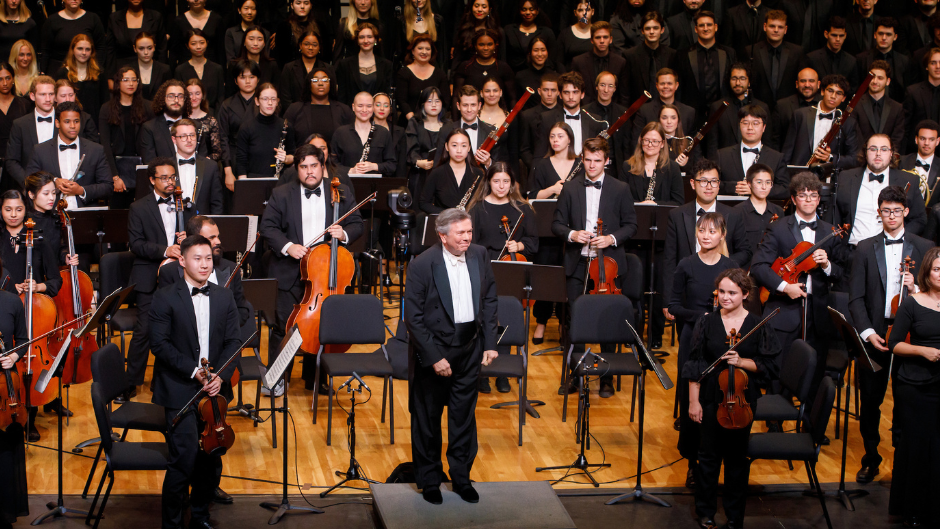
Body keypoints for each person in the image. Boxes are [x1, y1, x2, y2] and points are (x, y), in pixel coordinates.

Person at [405, 207, 498, 505]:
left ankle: (461, 478)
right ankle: (430, 480)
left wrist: (490, 343)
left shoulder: (480, 255)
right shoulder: (422, 264)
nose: (467, 238)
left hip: (469, 348)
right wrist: (434, 357)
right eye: (461, 233)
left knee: (462, 418)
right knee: (427, 420)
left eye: (469, 232)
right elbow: (414, 319)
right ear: (442, 236)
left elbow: (491, 299)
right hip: (435, 351)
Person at [149, 234, 242, 529]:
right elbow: (160, 345)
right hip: (179, 388)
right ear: (182, 261)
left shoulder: (224, 296)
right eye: (197, 258)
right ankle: (172, 524)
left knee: (211, 459)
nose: (204, 265)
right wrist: (194, 371)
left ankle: (200, 516)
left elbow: (234, 342)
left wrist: (220, 374)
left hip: (214, 390)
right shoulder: (165, 296)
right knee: (184, 459)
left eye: (209, 259)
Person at [259, 143, 364, 391]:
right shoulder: (282, 193)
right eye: (303, 167)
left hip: (325, 271)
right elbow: (268, 228)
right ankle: (276, 380)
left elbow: (358, 224)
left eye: (314, 166)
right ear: (297, 169)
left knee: (320, 325)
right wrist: (288, 246)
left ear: (322, 166)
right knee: (282, 325)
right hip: (288, 269)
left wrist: (344, 234)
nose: (309, 172)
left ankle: (315, 379)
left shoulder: (341, 191)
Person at [684, 268, 780, 529]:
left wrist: (742, 361)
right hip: (709, 397)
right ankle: (705, 512)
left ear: (745, 294)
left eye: (732, 293)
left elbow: (769, 367)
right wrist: (694, 401)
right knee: (708, 457)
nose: (725, 297)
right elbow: (695, 364)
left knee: (737, 460)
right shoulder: (707, 322)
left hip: (743, 400)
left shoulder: (758, 324)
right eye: (722, 292)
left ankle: (735, 515)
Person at [849, 186, 932, 486]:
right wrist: (869, 333)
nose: (892, 215)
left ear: (906, 212)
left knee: (906, 400)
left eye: (897, 210)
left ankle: (903, 460)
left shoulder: (924, 247)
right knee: (870, 402)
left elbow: (936, 294)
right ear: (879, 212)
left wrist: (918, 289)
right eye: (886, 210)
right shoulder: (864, 247)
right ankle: (871, 459)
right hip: (876, 334)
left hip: (912, 337)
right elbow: (855, 298)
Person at [551, 137, 637, 397]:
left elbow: (632, 225)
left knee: (608, 319)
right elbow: (556, 224)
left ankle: (607, 378)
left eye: (597, 161)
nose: (591, 165)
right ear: (582, 159)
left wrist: (610, 239)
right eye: (587, 160)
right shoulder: (570, 188)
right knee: (573, 319)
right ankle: (576, 375)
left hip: (607, 265)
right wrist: (572, 234)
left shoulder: (621, 188)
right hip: (578, 262)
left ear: (606, 161)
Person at [750, 171, 844, 378]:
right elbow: (759, 266)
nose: (808, 200)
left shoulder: (831, 232)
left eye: (813, 195)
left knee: (813, 376)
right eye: (802, 195)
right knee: (779, 372)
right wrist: (785, 287)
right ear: (793, 199)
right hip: (784, 312)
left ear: (819, 199)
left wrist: (827, 265)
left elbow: (841, 273)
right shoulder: (778, 228)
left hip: (817, 315)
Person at [669, 212, 738, 487]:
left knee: (717, 396)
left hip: (721, 337)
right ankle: (692, 462)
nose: (706, 236)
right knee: (692, 399)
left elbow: (739, 301)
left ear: (722, 235)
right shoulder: (686, 265)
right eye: (701, 231)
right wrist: (699, 317)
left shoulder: (731, 266)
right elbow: (673, 305)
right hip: (692, 335)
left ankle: (716, 458)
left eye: (712, 232)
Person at [124, 158, 192, 401]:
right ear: (152, 180)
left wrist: (188, 239)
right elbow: (136, 244)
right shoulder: (139, 208)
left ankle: (163, 381)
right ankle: (130, 383)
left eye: (172, 177)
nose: (170, 182)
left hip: (177, 276)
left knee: (177, 331)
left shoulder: (185, 204)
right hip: (148, 276)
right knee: (143, 331)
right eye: (164, 178)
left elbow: (195, 239)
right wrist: (166, 250)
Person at [467, 162, 536, 393]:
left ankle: (503, 373)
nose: (501, 185)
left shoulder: (523, 210)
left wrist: (520, 244)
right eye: (496, 181)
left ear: (513, 183)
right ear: (489, 182)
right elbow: (469, 244)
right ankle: (482, 373)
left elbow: (534, 243)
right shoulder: (477, 209)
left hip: (511, 270)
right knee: (484, 320)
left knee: (506, 320)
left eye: (506, 181)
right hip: (483, 270)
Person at [0, 189, 63, 441]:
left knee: (29, 362)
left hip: (33, 312)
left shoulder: (39, 239)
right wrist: (7, 286)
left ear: (26, 210)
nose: (14, 214)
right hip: (4, 310)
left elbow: (56, 281)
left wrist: (37, 286)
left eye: (19, 209)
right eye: (8, 209)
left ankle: (30, 416)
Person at [887, 245, 940, 527]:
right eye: (937, 269)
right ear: (927, 272)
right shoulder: (912, 303)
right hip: (916, 385)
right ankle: (914, 509)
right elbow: (894, 344)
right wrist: (923, 351)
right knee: (918, 447)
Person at [662, 159, 751, 327]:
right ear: (692, 183)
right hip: (688, 296)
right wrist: (668, 300)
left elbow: (745, 251)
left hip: (722, 292)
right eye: (703, 181)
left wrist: (722, 264)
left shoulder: (733, 214)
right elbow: (669, 260)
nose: (709, 186)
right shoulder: (677, 215)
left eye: (714, 181)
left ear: (719, 184)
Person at [527, 121, 578, 345]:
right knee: (547, 277)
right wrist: (553, 190)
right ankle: (541, 322)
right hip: (547, 231)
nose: (555, 140)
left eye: (560, 136)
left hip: (573, 230)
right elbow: (530, 195)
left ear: (569, 139)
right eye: (552, 136)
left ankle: (564, 324)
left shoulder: (581, 164)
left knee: (569, 278)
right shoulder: (541, 164)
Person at [834, 134, 927, 245]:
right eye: (873, 149)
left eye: (884, 149)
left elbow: (920, 219)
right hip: (852, 251)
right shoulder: (845, 177)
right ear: (865, 152)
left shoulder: (908, 180)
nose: (878, 154)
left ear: (891, 153)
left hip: (891, 249)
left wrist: (897, 237)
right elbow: (834, 216)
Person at [24, 101, 112, 209]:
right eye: (67, 121)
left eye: (76, 121)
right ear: (57, 123)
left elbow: (108, 187)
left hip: (85, 215)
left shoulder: (95, 150)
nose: (72, 126)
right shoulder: (40, 150)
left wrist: (81, 190)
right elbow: (29, 182)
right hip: (51, 215)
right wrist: (54, 181)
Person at [100, 65, 155, 208]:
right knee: (119, 216)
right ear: (118, 83)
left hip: (143, 167)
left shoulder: (148, 107)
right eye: (126, 80)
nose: (131, 84)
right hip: (118, 169)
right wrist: (114, 176)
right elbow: (105, 145)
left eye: (134, 80)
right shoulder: (107, 108)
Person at [0, 252, 28, 525]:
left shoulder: (10, 302)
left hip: (3, 388)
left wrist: (15, 356)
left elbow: (23, 339)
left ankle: (5, 510)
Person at [782, 74, 858, 170]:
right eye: (830, 91)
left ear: (843, 98)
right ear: (822, 91)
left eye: (839, 93)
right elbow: (787, 152)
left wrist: (830, 157)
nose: (833, 96)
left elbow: (854, 159)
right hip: (800, 175)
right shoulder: (800, 115)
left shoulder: (848, 122)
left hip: (828, 177)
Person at [672, 11, 737, 121]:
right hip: (692, 116)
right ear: (696, 29)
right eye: (701, 25)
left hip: (723, 114)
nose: (705, 28)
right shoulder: (682, 55)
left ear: (715, 27)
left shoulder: (729, 53)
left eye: (709, 25)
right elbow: (679, 89)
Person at [715, 104, 787, 199]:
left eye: (756, 123)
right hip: (730, 210)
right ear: (739, 125)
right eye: (745, 123)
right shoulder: (722, 155)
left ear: (764, 127)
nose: (750, 127)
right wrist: (734, 187)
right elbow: (713, 183)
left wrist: (757, 190)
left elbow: (785, 189)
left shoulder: (776, 157)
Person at [702, 63, 770, 161]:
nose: (738, 83)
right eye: (734, 78)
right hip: (725, 161)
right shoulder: (718, 107)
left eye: (742, 78)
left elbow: (767, 141)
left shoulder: (762, 107)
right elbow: (712, 142)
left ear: (749, 82)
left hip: (757, 162)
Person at [741, 10, 806, 111]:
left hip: (788, 110)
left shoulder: (797, 52)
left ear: (785, 29)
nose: (776, 30)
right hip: (758, 109)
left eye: (780, 27)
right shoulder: (751, 51)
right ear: (764, 27)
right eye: (772, 26)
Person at [532, 72, 606, 160]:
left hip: (585, 171)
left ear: (582, 94)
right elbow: (540, 154)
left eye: (575, 92)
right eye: (567, 92)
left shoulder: (594, 120)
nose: (571, 97)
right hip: (556, 170)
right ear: (560, 95)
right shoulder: (547, 119)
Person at [4, 76, 56, 188]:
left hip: (61, 189)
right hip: (30, 190)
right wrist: (30, 183)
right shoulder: (20, 124)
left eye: (51, 94)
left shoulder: (64, 122)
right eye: (42, 94)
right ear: (32, 96)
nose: (48, 99)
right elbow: (11, 161)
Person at [328, 91, 395, 176]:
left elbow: (392, 165)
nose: (364, 110)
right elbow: (331, 164)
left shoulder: (384, 133)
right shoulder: (340, 132)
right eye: (360, 106)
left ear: (373, 108)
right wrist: (350, 171)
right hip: (346, 185)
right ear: (353, 107)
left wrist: (374, 166)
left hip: (374, 186)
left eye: (369, 106)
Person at [283, 67, 353, 148]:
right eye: (315, 80)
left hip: (334, 160)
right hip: (302, 159)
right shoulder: (295, 109)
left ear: (331, 84)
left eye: (325, 80)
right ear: (309, 84)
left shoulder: (344, 110)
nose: (320, 83)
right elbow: (286, 139)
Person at [235, 83, 293, 180]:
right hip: (254, 181)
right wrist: (244, 187)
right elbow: (241, 162)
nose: (270, 103)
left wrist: (286, 158)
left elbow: (295, 155)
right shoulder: (246, 127)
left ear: (277, 102)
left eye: (273, 99)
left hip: (281, 181)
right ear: (257, 101)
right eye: (265, 99)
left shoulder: (286, 126)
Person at [431, 85, 499, 167]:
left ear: (479, 106)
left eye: (473, 105)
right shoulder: (446, 130)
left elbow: (500, 167)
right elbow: (438, 164)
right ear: (458, 106)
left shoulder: (490, 131)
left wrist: (489, 163)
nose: (469, 109)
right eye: (465, 105)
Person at [631, 68, 695, 152]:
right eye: (662, 83)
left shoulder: (688, 112)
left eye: (669, 83)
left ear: (676, 85)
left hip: (680, 162)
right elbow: (636, 142)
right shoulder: (644, 110)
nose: (665, 86)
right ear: (657, 86)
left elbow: (693, 144)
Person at [421, 128, 485, 213]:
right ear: (447, 147)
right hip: (445, 223)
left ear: (469, 148)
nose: (459, 150)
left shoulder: (478, 174)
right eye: (454, 145)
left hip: (471, 223)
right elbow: (423, 203)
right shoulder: (437, 173)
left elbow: (484, 203)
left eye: (464, 146)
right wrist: (447, 214)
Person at [454, 29, 517, 114]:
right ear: (475, 46)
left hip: (498, 117)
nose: (486, 48)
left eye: (490, 44)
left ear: (495, 45)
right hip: (469, 116)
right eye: (481, 45)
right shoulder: (465, 67)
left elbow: (512, 98)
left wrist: (512, 120)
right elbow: (456, 97)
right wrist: (455, 123)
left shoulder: (504, 68)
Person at [217, 59, 259, 185]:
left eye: (252, 77)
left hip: (259, 158)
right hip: (234, 158)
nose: (247, 81)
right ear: (235, 80)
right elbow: (222, 138)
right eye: (242, 77)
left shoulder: (266, 103)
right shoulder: (227, 105)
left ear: (258, 79)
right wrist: (228, 171)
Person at [622, 121, 683, 204]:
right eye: (646, 140)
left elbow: (678, 202)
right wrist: (640, 205)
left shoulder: (673, 168)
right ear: (641, 141)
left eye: (655, 141)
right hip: (634, 215)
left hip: (663, 216)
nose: (650, 145)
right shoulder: (628, 166)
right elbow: (621, 199)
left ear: (662, 144)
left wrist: (656, 205)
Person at [39, 0, 106, 75]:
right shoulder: (52, 20)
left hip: (86, 70)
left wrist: (98, 68)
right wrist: (43, 71)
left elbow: (101, 47)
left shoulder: (93, 18)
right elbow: (46, 50)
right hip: (58, 69)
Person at [622, 11, 675, 105]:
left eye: (655, 28)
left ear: (662, 30)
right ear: (642, 31)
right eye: (647, 28)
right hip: (638, 111)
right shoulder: (630, 55)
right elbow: (625, 90)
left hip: (666, 109)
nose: (651, 32)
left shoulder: (671, 54)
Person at [171, 119, 223, 214]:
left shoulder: (210, 166)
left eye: (192, 135)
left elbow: (217, 204)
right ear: (174, 139)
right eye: (183, 136)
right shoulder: (166, 166)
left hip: (202, 225)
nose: (189, 140)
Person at [54, 34, 109, 124]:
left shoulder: (99, 74)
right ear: (72, 50)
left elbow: (105, 103)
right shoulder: (62, 73)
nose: (84, 52)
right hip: (69, 123)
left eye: (87, 49)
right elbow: (57, 103)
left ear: (92, 52)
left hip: (94, 123)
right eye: (80, 48)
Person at [734, 163, 784, 259]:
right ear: (749, 184)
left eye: (768, 182)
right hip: (744, 270)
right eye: (759, 182)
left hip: (770, 268)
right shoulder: (737, 211)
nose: (764, 187)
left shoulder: (778, 211)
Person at [853, 60, 905, 151]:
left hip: (887, 160)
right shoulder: (856, 104)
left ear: (888, 81)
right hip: (860, 158)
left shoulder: (897, 108)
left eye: (880, 78)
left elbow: (897, 139)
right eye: (872, 77)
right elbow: (853, 136)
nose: (875, 81)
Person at [396, 36, 450, 123]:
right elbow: (401, 100)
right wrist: (413, 120)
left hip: (434, 122)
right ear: (413, 51)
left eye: (428, 49)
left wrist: (433, 120)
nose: (424, 52)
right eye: (420, 48)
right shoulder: (404, 72)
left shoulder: (440, 74)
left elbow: (446, 101)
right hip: (409, 123)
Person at [855, 17, 910, 103]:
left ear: (895, 37)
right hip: (866, 107)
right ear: (875, 35)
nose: (884, 38)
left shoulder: (904, 61)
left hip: (896, 109)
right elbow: (857, 89)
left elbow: (907, 91)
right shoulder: (862, 59)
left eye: (888, 34)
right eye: (881, 33)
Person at [335, 23, 392, 104]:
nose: (366, 41)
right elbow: (342, 96)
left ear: (375, 40)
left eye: (369, 37)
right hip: (351, 113)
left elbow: (387, 94)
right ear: (357, 41)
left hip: (378, 113)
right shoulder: (345, 64)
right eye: (362, 37)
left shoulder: (386, 65)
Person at [570, 21, 626, 104]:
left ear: (611, 40)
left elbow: (624, 94)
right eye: (598, 37)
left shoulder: (620, 62)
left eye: (605, 37)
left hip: (612, 111)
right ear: (592, 40)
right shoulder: (578, 61)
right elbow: (574, 91)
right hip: (585, 110)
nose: (602, 41)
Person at [405, 86, 447, 195]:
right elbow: (410, 148)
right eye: (429, 101)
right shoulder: (415, 123)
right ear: (423, 104)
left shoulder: (449, 125)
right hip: (419, 173)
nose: (434, 105)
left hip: (443, 174)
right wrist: (418, 162)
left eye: (437, 101)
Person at [185, 79, 229, 180]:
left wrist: (204, 161)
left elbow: (217, 152)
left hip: (204, 170)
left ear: (203, 95)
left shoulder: (211, 121)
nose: (194, 97)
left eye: (197, 93)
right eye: (190, 94)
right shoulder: (180, 119)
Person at [138, 79, 193, 162]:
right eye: (171, 96)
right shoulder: (149, 128)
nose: (176, 100)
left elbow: (201, 162)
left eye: (180, 96)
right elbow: (150, 163)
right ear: (163, 98)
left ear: (185, 100)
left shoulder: (196, 126)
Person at [769, 67, 820, 151]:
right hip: (789, 160)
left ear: (818, 84)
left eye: (811, 81)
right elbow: (775, 140)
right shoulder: (782, 106)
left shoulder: (826, 105)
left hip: (818, 160)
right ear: (797, 84)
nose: (807, 85)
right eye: (803, 81)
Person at [175, 29, 225, 112]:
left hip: (213, 115)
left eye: (202, 42)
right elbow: (179, 97)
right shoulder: (180, 70)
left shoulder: (217, 69)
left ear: (207, 43)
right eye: (193, 44)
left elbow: (220, 97)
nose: (198, 47)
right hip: (188, 115)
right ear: (187, 46)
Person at [107, 0, 167, 69]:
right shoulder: (114, 18)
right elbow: (110, 50)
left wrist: (162, 72)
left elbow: (162, 48)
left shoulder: (156, 17)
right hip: (122, 70)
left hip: (150, 68)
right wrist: (110, 76)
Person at [519, 72, 560, 171]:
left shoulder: (565, 114)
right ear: (539, 91)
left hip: (563, 168)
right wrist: (535, 167)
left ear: (559, 92)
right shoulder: (527, 115)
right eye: (546, 90)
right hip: (536, 168)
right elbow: (524, 149)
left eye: (553, 90)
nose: (549, 94)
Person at [806, 16, 860, 90]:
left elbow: (853, 89)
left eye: (841, 36)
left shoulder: (851, 61)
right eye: (834, 35)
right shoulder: (812, 59)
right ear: (826, 34)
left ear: (845, 36)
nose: (838, 39)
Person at [226, 25, 279, 99]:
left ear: (264, 44)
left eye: (260, 39)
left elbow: (276, 92)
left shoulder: (271, 65)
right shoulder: (234, 64)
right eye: (251, 39)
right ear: (244, 42)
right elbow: (229, 93)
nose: (255, 43)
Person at [278, 30, 328, 110]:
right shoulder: (289, 68)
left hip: (321, 113)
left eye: (314, 45)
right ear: (300, 46)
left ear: (319, 47)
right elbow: (285, 98)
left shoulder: (327, 68)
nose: (310, 48)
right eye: (306, 44)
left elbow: (332, 96)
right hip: (294, 115)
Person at [902, 48, 940, 151]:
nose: (938, 66)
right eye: (933, 63)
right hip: (917, 151)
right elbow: (906, 126)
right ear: (926, 66)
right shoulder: (913, 92)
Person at [504, 0, 556, 73]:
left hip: (540, 73)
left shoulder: (547, 32)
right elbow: (503, 56)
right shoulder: (509, 30)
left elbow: (552, 58)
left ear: (537, 11)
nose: (528, 12)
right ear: (519, 11)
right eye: (524, 10)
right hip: (513, 73)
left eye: (531, 9)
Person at [120, 32, 172, 102]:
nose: (146, 52)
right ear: (135, 49)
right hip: (133, 111)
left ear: (154, 47)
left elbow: (169, 95)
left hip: (158, 111)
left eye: (149, 48)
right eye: (141, 48)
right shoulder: (127, 70)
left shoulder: (164, 70)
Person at [170, 0, 224, 67]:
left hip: (212, 66)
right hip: (186, 67)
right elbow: (173, 51)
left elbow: (221, 49)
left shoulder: (216, 19)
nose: (196, 0)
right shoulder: (179, 21)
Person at [900, 120, 939, 209]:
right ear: (916, 139)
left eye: (931, 139)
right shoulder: (902, 162)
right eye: (922, 138)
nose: (926, 143)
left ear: (937, 141)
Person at [272, 0, 322, 68]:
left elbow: (325, 55)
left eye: (306, 3)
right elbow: (280, 57)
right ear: (292, 5)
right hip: (291, 71)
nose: (302, 6)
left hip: (317, 71)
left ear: (311, 5)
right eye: (298, 3)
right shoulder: (284, 27)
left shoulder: (320, 26)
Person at [513, 37, 558, 111]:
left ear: (547, 52)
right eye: (536, 50)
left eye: (543, 50)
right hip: (529, 119)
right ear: (529, 52)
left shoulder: (555, 77)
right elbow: (518, 105)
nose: (540, 54)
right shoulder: (520, 77)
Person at [453, 0, 502, 67]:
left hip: (492, 71)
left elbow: (502, 58)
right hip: (468, 71)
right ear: (471, 7)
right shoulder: (464, 30)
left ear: (490, 9)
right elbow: (457, 59)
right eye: (476, 6)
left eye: (484, 7)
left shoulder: (497, 31)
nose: (479, 10)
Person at [53, 78, 101, 144]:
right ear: (55, 98)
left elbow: (93, 145)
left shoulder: (86, 118)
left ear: (75, 95)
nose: (68, 99)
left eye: (71, 95)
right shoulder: (49, 117)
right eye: (63, 96)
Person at [0, 62, 28, 173]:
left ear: (13, 79)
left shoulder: (24, 104)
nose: (4, 83)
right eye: (0, 79)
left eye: (8, 78)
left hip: (19, 160)